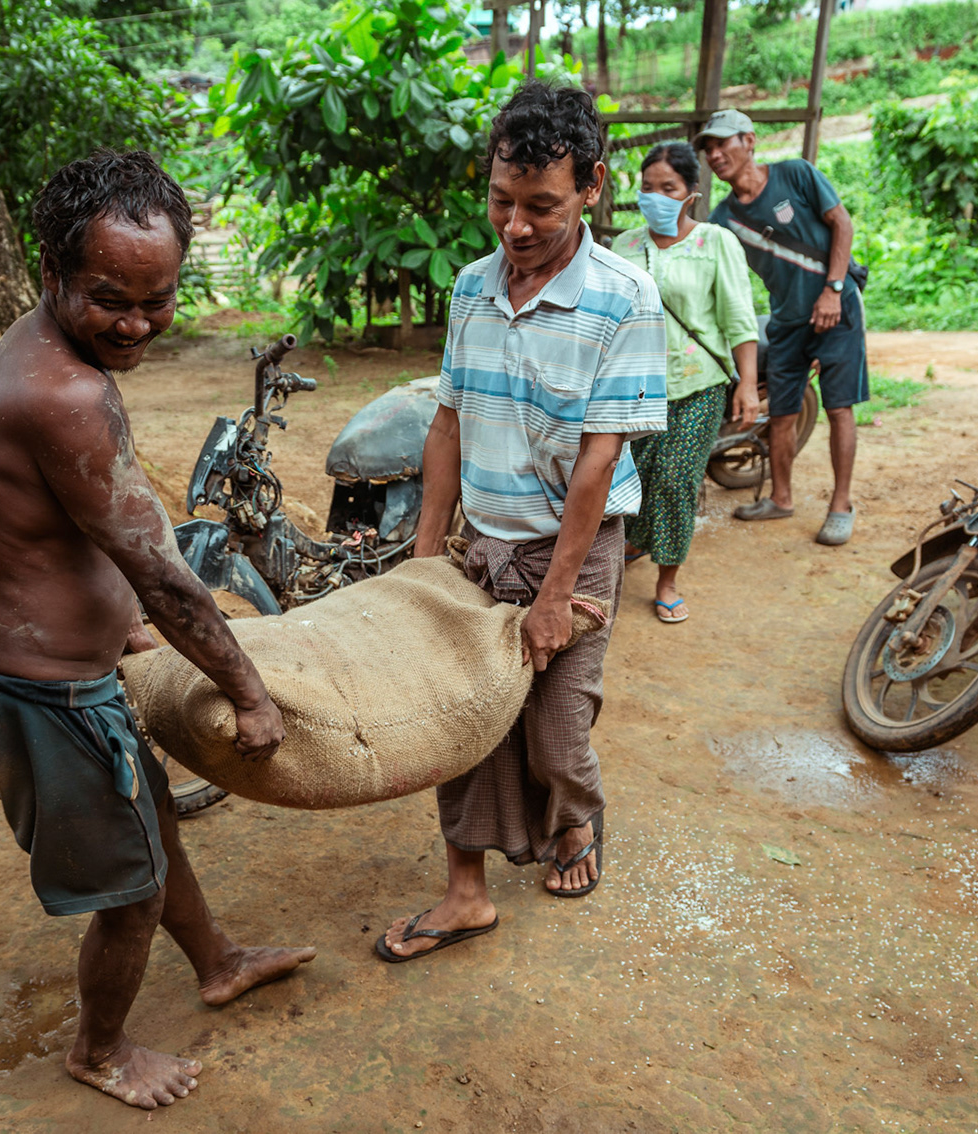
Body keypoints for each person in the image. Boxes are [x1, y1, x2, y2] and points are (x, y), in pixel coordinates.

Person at [0, 150, 315, 1110]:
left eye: (160, 301)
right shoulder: (65, 396)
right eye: (112, 298)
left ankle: (221, 960)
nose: (139, 324)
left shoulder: (35, 348)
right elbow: (166, 577)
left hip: (49, 671)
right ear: (51, 274)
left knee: (150, 823)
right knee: (132, 894)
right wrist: (249, 690)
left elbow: (49, 536)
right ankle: (98, 1051)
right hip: (46, 699)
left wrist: (117, 631)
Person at [376, 82, 667, 961]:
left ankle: (577, 819)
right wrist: (424, 560)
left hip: (574, 549)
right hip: (480, 547)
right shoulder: (470, 290)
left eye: (542, 205)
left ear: (591, 189)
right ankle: (466, 893)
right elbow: (449, 424)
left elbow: (596, 466)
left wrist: (556, 592)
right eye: (502, 200)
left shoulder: (625, 299)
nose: (515, 226)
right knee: (466, 717)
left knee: (553, 730)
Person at [698, 108, 866, 546]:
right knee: (784, 411)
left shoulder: (797, 175)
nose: (715, 154)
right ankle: (782, 498)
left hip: (838, 306)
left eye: (723, 143)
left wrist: (832, 289)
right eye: (709, 148)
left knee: (839, 406)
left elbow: (841, 223)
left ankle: (841, 505)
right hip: (787, 320)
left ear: (749, 141)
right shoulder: (722, 219)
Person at [611, 141, 761, 623]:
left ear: (690, 193)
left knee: (676, 481)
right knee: (631, 478)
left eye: (667, 188)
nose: (655, 196)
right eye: (647, 187)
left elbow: (739, 318)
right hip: (634, 389)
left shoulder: (716, 242)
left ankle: (668, 579)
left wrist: (746, 385)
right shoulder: (624, 246)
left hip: (697, 385)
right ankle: (632, 544)